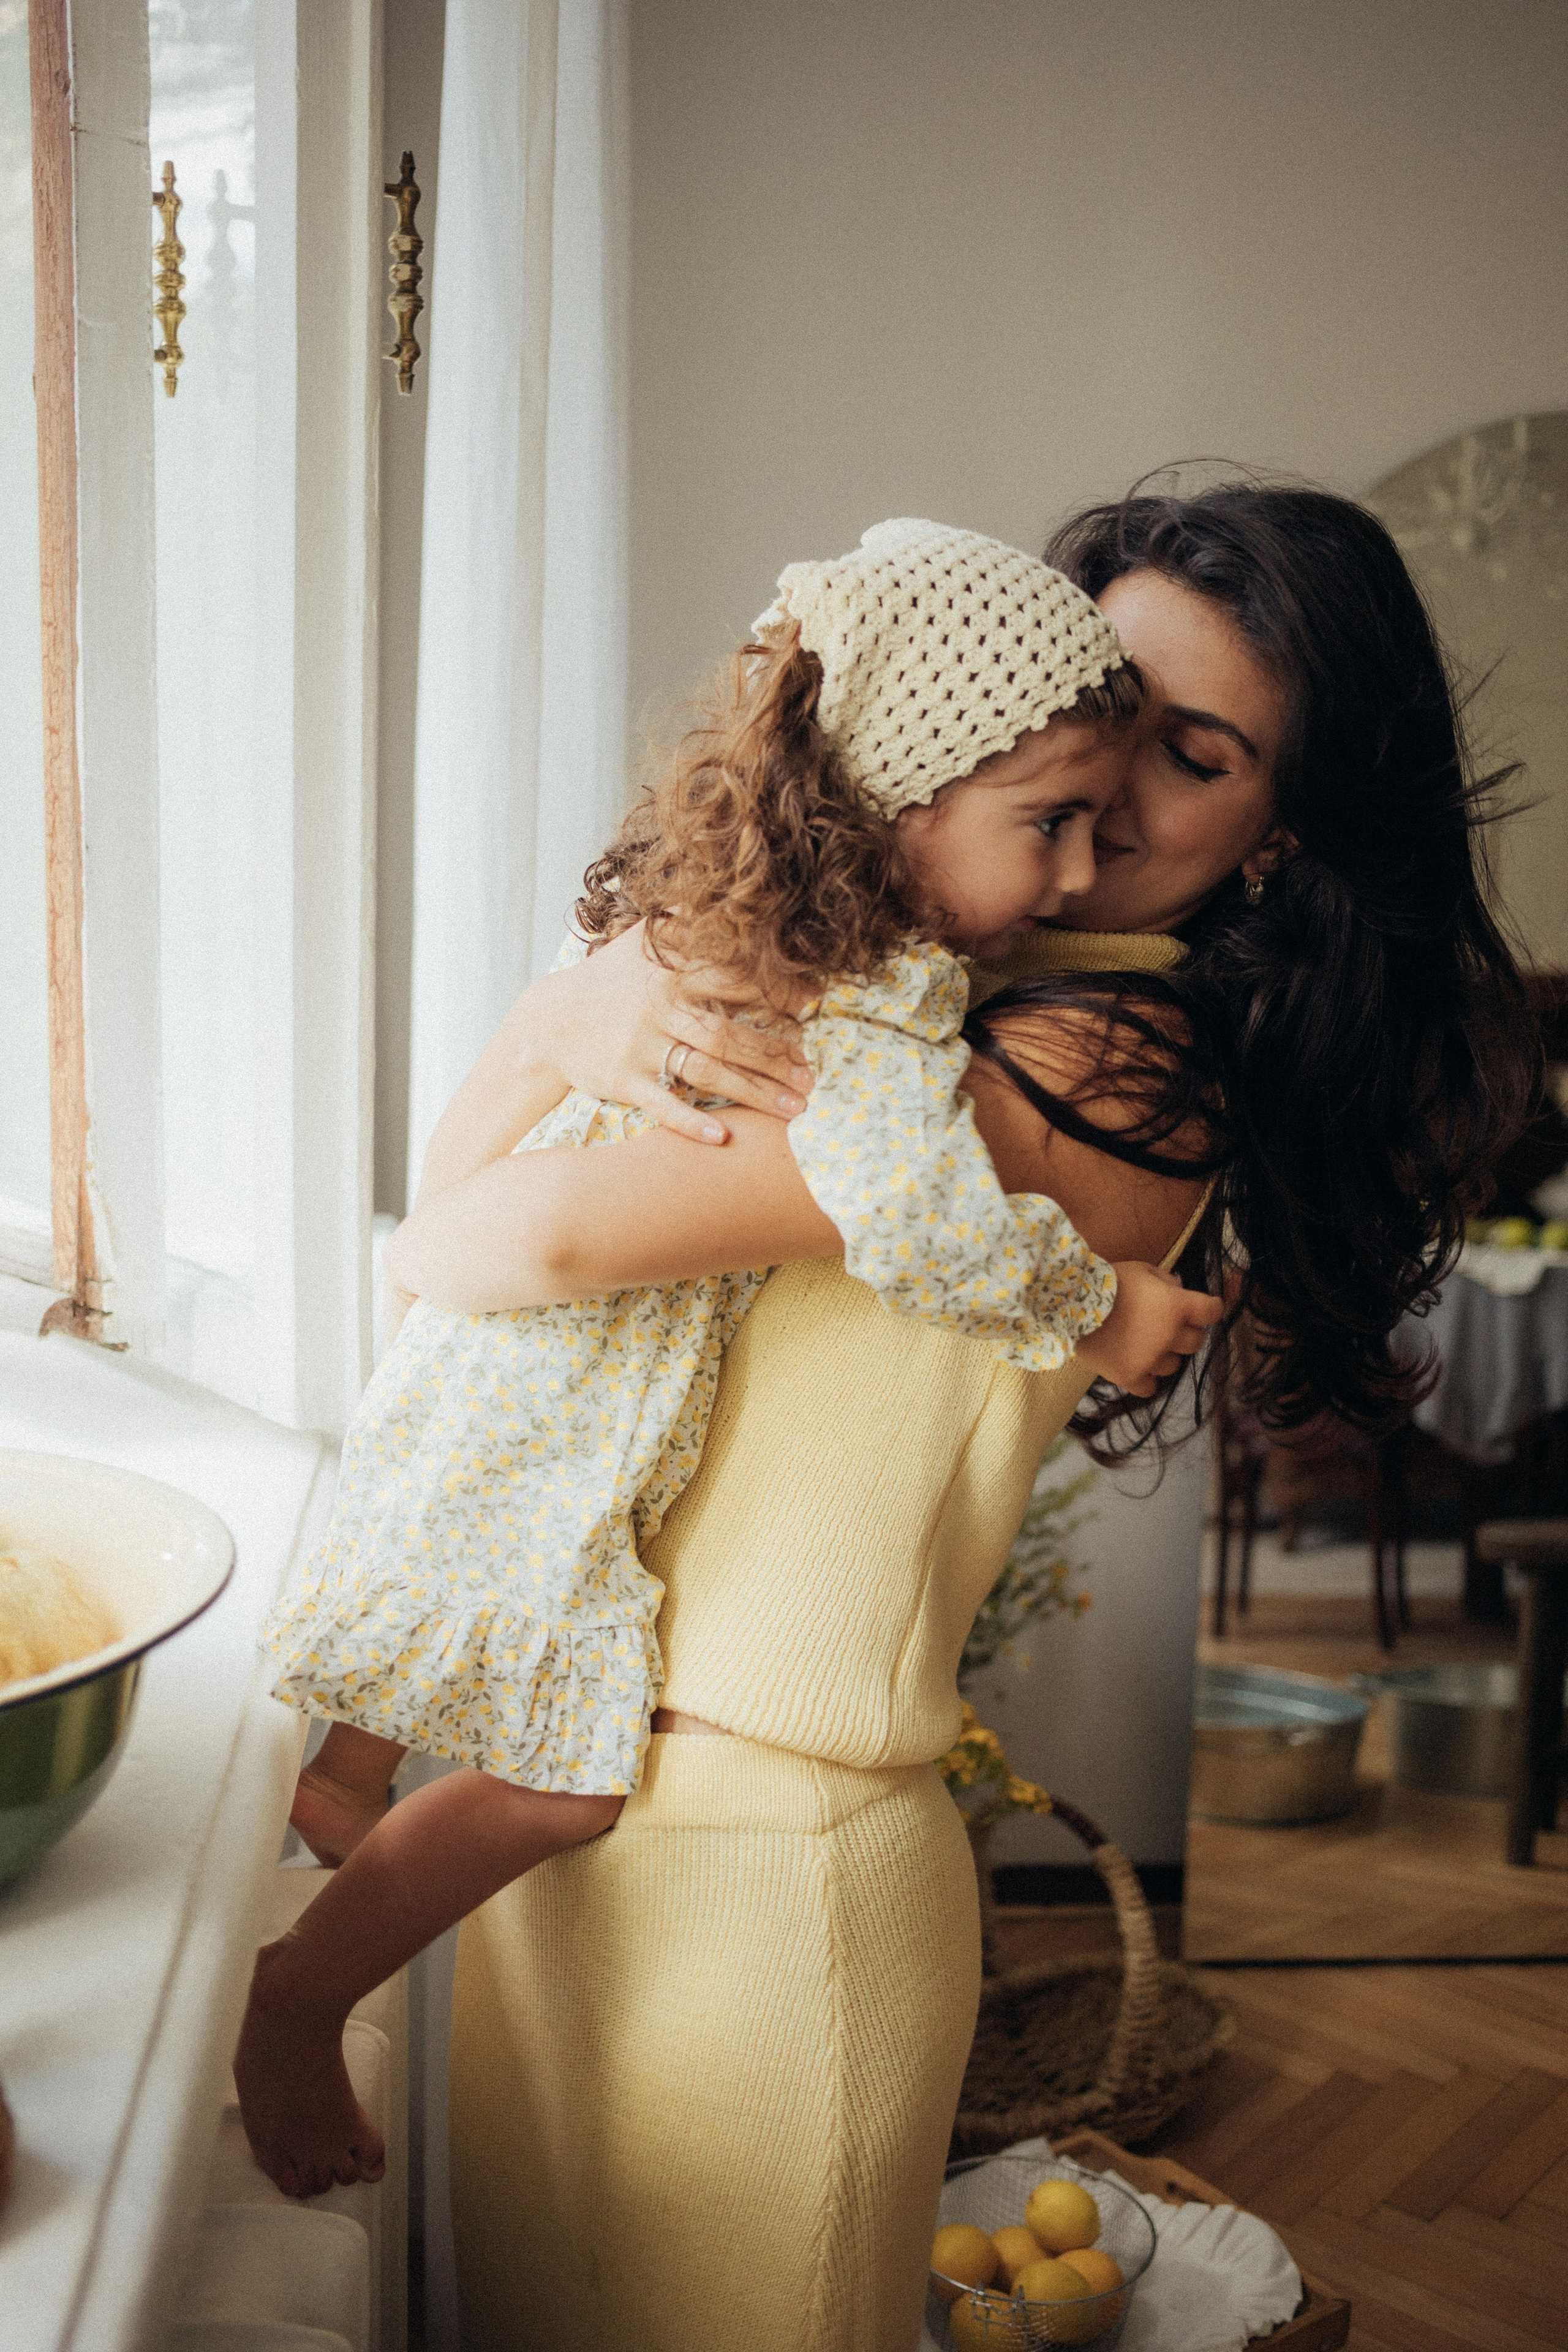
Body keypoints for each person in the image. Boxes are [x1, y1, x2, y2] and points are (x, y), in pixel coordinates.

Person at [385, 482, 1531, 2352]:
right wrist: (556, 1032)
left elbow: (490, 1240)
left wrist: (557, 1027)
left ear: (1283, 833)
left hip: (764, 1864)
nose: (1104, 791)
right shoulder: (914, 1016)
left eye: (1192, 755)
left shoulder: (1098, 1063)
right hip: (594, 1813)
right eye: (1096, 710)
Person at [233, 520, 1220, 2201]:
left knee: (441, 1661)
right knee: (558, 1791)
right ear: (904, 798)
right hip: (559, 1406)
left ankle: (345, 1783)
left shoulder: (716, 914)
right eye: (1048, 822)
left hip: (478, 1376)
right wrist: (1100, 1306)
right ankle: (300, 1995)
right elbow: (925, 1219)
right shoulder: (878, 1007)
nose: (1074, 874)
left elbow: (487, 1175)